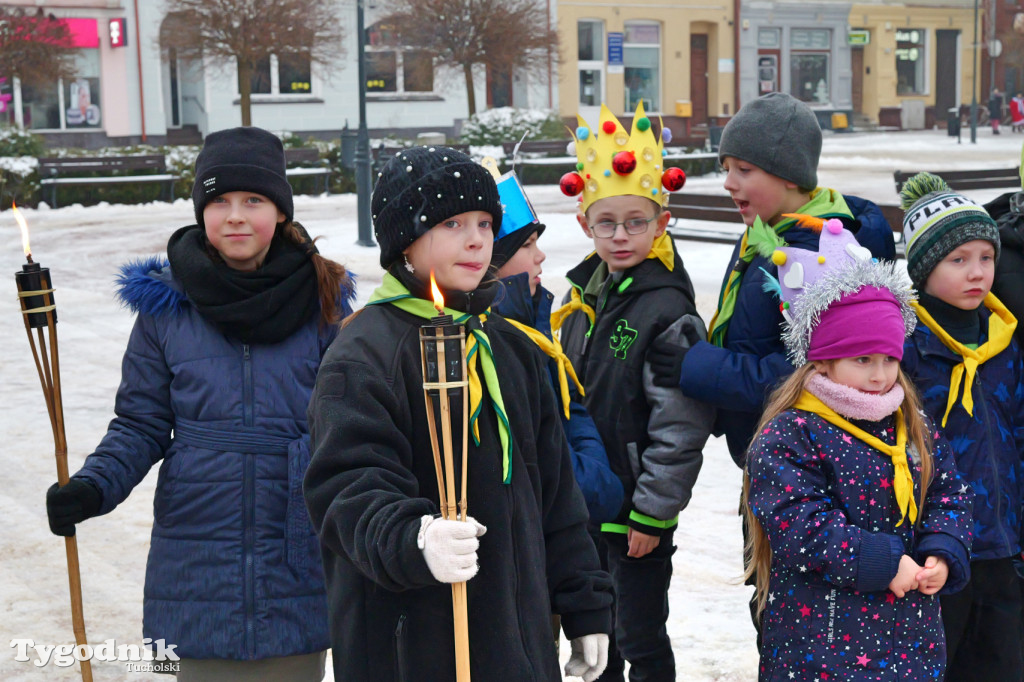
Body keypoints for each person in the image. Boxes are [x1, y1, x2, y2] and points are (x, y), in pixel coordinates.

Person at [44, 126, 355, 680]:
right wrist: (94, 487)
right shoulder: (166, 310)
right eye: (219, 201)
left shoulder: (323, 303)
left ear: (280, 212)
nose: (236, 216)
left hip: (296, 551)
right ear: (200, 212)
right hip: (194, 550)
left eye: (253, 200)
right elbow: (140, 423)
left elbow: (350, 426)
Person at [303, 146, 614, 682]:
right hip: (410, 648)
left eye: (485, 223)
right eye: (452, 223)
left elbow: (557, 495)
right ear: (405, 240)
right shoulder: (364, 353)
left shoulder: (512, 348)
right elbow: (347, 487)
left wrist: (585, 602)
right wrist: (413, 538)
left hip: (517, 647)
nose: (477, 240)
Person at [743, 217, 972, 681]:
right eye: (862, 359)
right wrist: (884, 563)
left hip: (910, 640)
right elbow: (799, 524)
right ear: (823, 360)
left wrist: (942, 552)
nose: (879, 374)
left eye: (889, 358)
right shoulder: (792, 434)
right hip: (821, 644)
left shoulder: (910, 422)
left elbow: (949, 492)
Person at [650, 91, 895, 470]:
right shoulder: (766, 233)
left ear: (791, 176)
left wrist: (700, 368)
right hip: (772, 452)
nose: (729, 183)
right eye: (726, 168)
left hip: (809, 463)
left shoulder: (823, 256)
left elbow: (808, 372)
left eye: (744, 170)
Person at [553, 102, 713, 681]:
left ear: (661, 222)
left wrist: (652, 512)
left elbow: (680, 425)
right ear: (584, 225)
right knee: (594, 640)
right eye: (606, 223)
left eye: (636, 222)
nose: (620, 236)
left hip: (635, 514)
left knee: (639, 637)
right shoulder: (578, 302)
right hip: (585, 505)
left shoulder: (668, 310)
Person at [899, 171, 1024, 681]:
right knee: (937, 665)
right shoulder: (905, 349)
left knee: (1001, 664)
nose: (977, 273)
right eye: (958, 260)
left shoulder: (1004, 341)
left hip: (1005, 545)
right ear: (924, 271)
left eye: (986, 258)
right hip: (937, 551)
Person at [490, 181, 623, 524]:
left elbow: (568, 412)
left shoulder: (530, 318)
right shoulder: (504, 339)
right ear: (492, 261)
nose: (540, 255)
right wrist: (598, 477)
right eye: (528, 245)